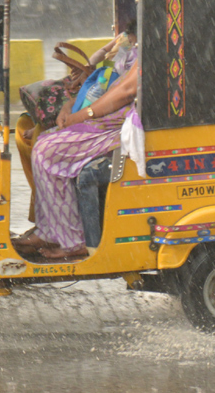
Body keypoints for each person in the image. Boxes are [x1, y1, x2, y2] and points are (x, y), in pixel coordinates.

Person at [15, 28, 139, 260]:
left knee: (47, 150)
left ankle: (73, 240)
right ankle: (50, 229)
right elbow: (101, 75)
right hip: (102, 113)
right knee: (39, 139)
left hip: (119, 123)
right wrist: (72, 104)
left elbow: (126, 91)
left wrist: (83, 114)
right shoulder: (126, 43)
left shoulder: (149, 48)